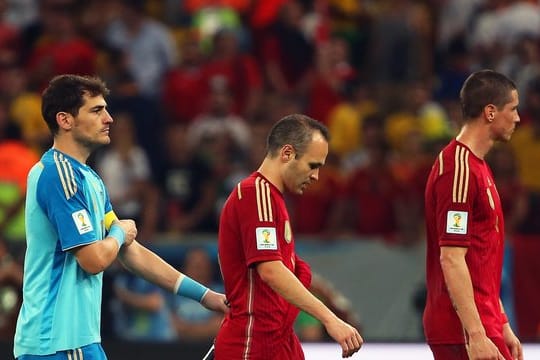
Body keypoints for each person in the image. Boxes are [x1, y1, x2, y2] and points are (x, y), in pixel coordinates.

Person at [13, 74, 229, 359]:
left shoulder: (88, 178)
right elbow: (94, 259)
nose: (109, 118)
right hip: (57, 344)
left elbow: (131, 252)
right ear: (65, 120)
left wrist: (205, 296)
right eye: (97, 110)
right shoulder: (58, 175)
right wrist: (119, 232)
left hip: (79, 343)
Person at [215, 114, 363, 359]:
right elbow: (271, 270)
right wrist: (330, 319)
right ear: (287, 153)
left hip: (276, 340)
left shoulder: (272, 200)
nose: (316, 176)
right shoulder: (256, 195)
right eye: (312, 165)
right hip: (253, 344)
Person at [423, 69, 523, 360]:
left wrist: (502, 323)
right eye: (513, 109)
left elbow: (481, 258)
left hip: (482, 322)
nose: (517, 118)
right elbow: (451, 258)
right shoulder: (458, 169)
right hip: (462, 330)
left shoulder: (476, 167)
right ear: (490, 112)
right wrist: (476, 335)